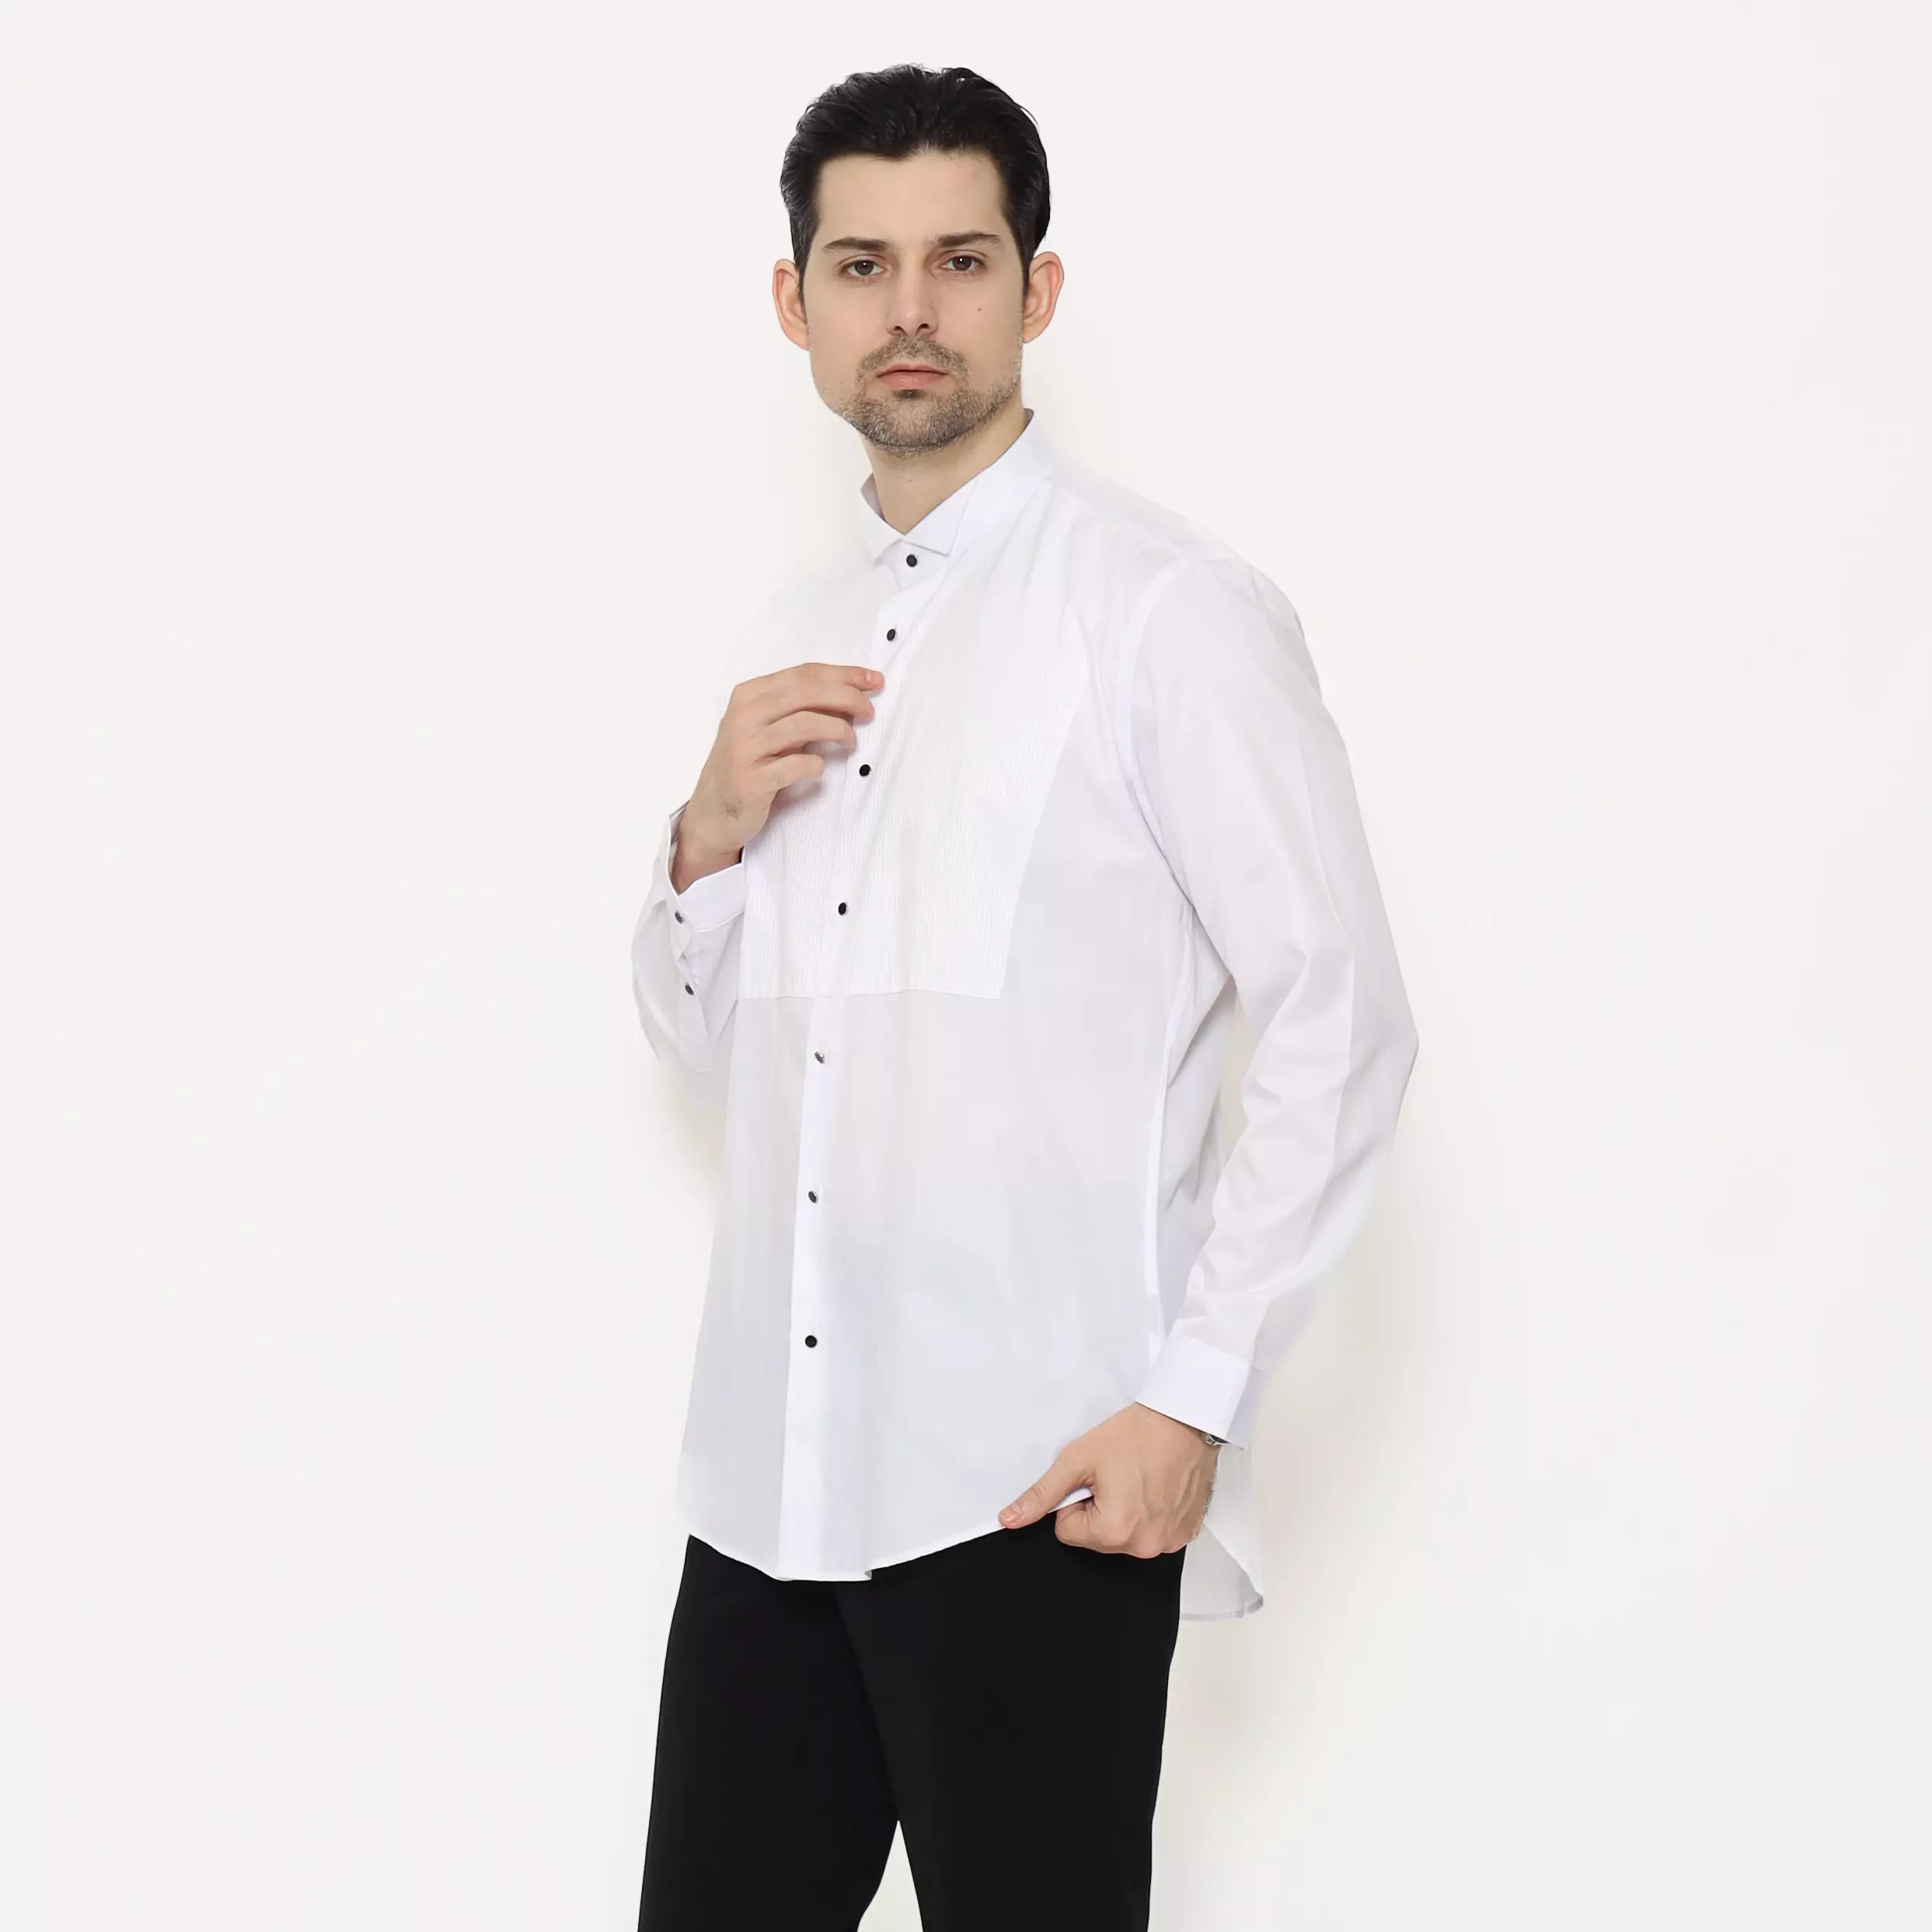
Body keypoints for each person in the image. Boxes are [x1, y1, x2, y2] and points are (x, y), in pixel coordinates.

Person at [629, 61, 1419, 1932]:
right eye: (861, 265)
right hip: (768, 1493)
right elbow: (712, 1050)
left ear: (1034, 290)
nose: (909, 308)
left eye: (959, 260)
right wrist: (702, 837)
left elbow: (1341, 1016)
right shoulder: (787, 637)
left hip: (1031, 1490)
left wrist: (1193, 1400)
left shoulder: (1165, 611)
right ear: (795, 302)